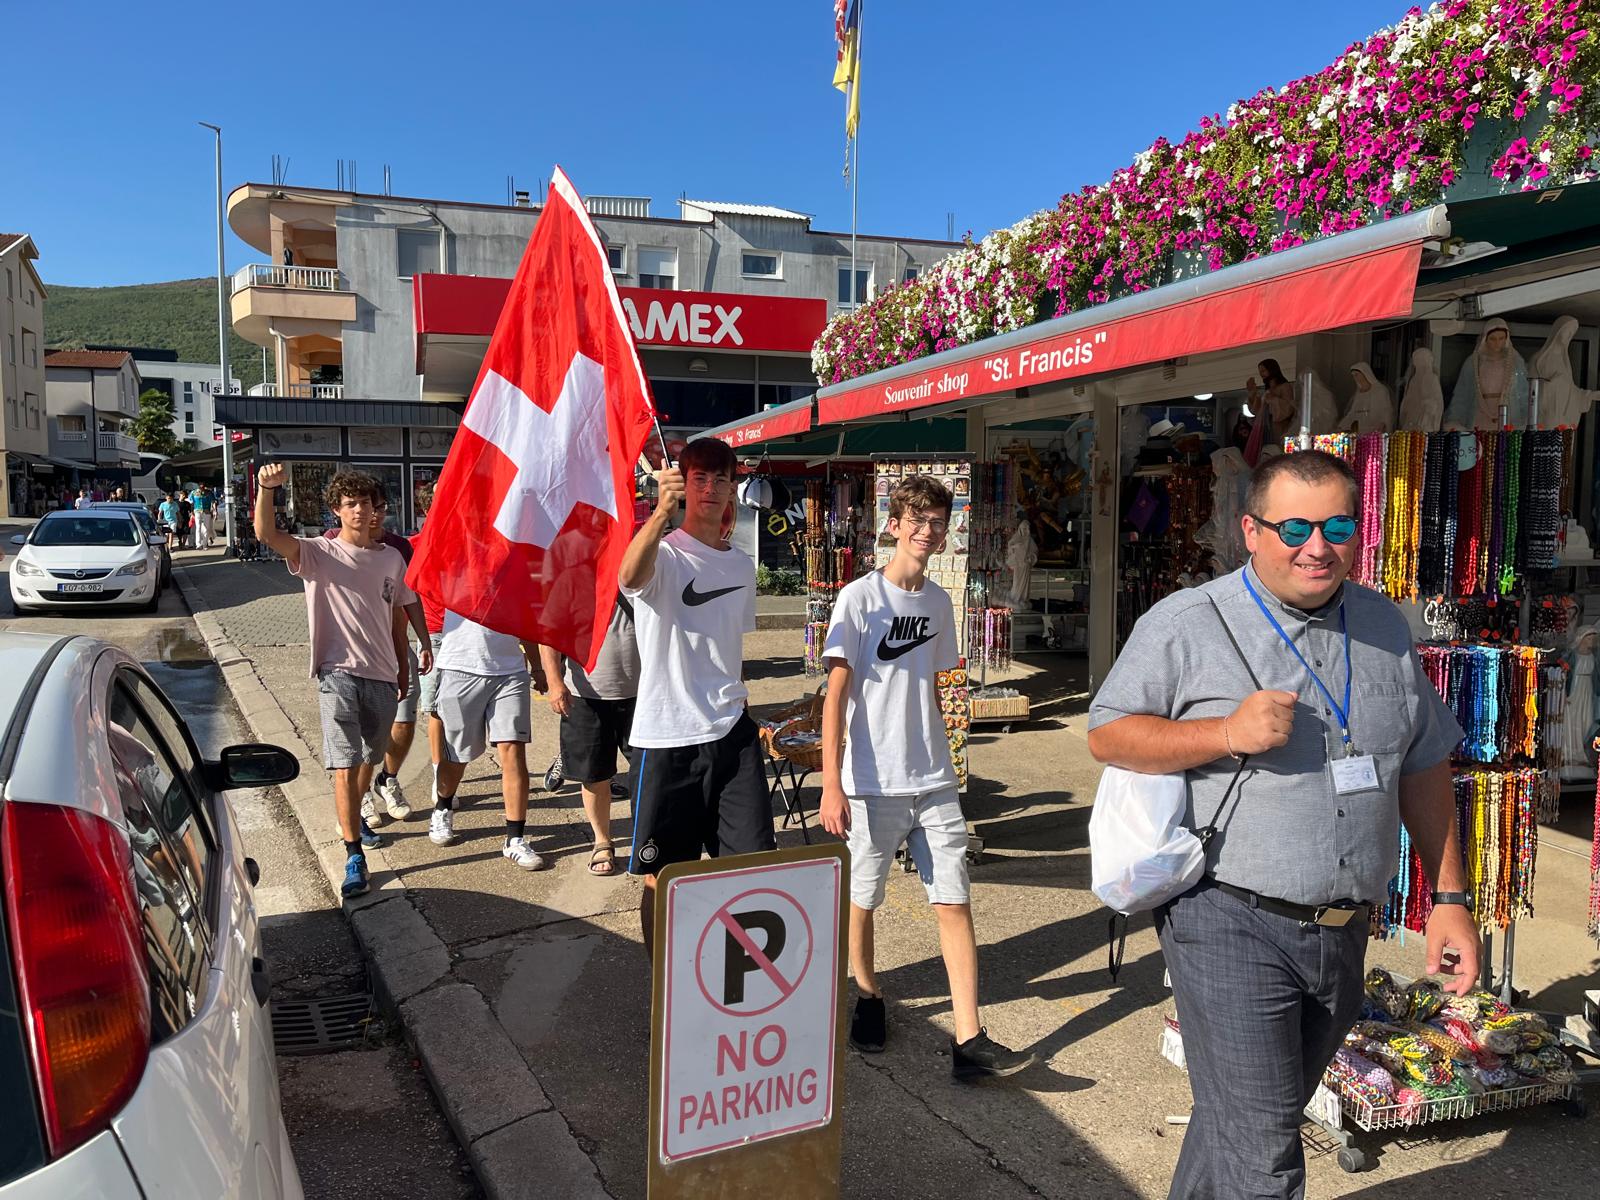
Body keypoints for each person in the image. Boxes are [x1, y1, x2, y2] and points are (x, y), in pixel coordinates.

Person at [1086, 450, 1480, 1199]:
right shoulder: (1188, 622)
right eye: (1295, 525)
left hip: (1342, 931)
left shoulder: (1384, 626)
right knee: (1266, 1154)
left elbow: (1424, 759)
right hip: (1229, 918)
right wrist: (1222, 735)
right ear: (1250, 531)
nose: (1317, 544)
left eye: (1337, 524)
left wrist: (1450, 900)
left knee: (1239, 1126)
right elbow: (1109, 736)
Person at [820, 475, 1037, 1080]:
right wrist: (831, 782)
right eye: (916, 519)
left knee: (954, 900)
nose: (927, 531)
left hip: (934, 778)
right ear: (893, 525)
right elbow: (835, 696)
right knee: (863, 900)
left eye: (938, 522)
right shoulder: (858, 600)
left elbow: (941, 688)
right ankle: (867, 995)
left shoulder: (941, 604)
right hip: (871, 780)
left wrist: (954, 754)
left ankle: (969, 1039)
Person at [618, 437, 771, 956]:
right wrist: (661, 513)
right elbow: (628, 576)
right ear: (685, 483)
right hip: (666, 737)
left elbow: (727, 647)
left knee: (748, 870)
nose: (710, 489)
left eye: (721, 479)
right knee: (662, 875)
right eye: (699, 478)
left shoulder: (741, 565)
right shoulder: (662, 554)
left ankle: (730, 984)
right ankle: (663, 986)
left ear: (733, 488)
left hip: (732, 732)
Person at [254, 464, 416, 899]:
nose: (361, 510)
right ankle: (353, 854)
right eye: (351, 504)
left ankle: (356, 820)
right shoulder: (318, 554)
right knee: (344, 765)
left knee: (368, 759)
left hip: (383, 676)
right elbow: (268, 535)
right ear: (337, 511)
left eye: (367, 502)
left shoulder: (392, 559)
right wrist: (267, 489)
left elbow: (397, 618)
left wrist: (402, 668)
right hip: (336, 672)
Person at [323, 491, 431, 824]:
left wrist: (423, 640)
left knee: (403, 722)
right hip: (349, 661)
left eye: (377, 507)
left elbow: (409, 597)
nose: (371, 514)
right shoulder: (331, 543)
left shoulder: (398, 548)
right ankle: (362, 797)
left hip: (397, 649)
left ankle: (388, 778)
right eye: (359, 505)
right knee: (354, 743)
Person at [427, 609, 549, 870]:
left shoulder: (518, 570)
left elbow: (526, 619)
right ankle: (443, 806)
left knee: (513, 749)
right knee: (457, 755)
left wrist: (537, 665)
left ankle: (515, 839)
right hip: (459, 667)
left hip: (510, 671)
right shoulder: (455, 567)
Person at [539, 597, 640, 876]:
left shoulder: (644, 573)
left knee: (650, 772)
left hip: (643, 695)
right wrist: (554, 681)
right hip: (587, 695)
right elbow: (550, 633)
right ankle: (602, 841)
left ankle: (649, 837)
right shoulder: (574, 581)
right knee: (595, 775)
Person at [1445, 318, 1529, 429]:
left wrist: (1527, 418)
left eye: (1501, 338)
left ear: (1506, 339)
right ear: (1485, 339)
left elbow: (1523, 392)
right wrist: (1456, 419)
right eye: (1493, 339)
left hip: (1508, 413)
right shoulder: (1473, 362)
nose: (1497, 343)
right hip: (1480, 413)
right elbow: (1463, 393)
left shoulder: (1515, 362)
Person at [192, 484, 216, 549]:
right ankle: (198, 544)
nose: (201, 486)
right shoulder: (193, 492)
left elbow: (213, 502)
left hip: (206, 511)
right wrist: (191, 512)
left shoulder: (209, 493)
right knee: (198, 527)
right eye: (200, 485)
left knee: (206, 528)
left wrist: (215, 511)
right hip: (197, 511)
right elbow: (191, 502)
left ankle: (205, 544)